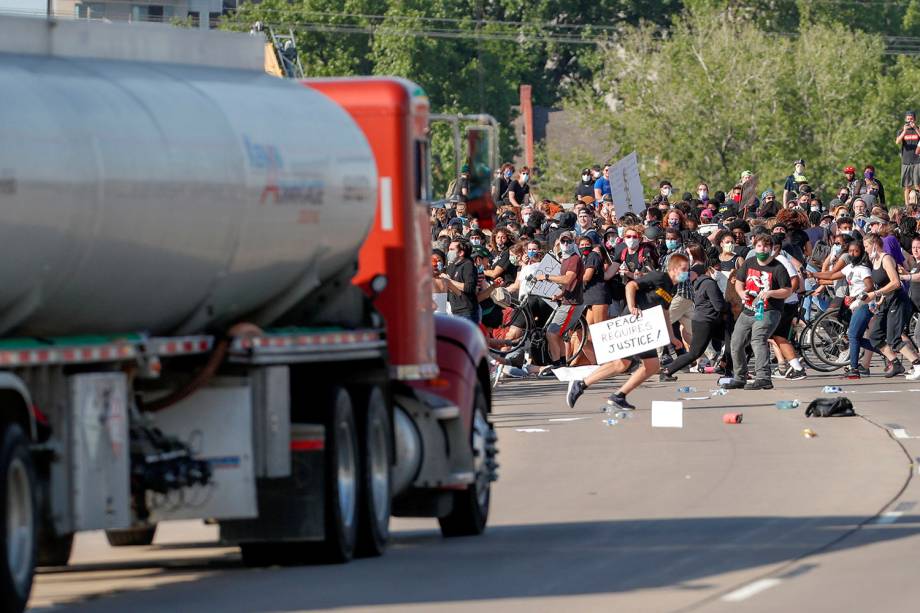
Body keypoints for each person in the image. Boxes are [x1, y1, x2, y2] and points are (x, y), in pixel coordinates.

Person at [565, 254, 688, 410]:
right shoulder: (659, 276)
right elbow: (631, 286)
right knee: (626, 363)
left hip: (645, 327)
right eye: (684, 269)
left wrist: (671, 336)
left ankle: (615, 395)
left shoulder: (672, 287)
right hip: (632, 322)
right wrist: (632, 307)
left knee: (645, 365)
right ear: (674, 268)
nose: (687, 272)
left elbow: (665, 312)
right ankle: (584, 385)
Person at [722, 235, 793, 390]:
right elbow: (739, 282)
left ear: (772, 249)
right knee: (736, 343)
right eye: (760, 246)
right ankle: (740, 377)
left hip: (769, 311)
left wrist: (771, 293)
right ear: (755, 247)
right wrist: (741, 293)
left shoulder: (778, 268)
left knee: (758, 339)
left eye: (766, 247)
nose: (763, 249)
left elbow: (787, 290)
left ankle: (763, 378)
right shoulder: (749, 263)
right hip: (748, 310)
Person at [659, 257, 729, 381]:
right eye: (717, 268)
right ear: (709, 270)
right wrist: (730, 305)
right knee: (694, 353)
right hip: (706, 322)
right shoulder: (709, 283)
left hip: (706, 321)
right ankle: (667, 371)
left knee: (732, 339)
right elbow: (719, 305)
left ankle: (726, 367)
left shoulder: (698, 284)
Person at [863, 233, 920, 379]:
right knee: (875, 335)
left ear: (875, 245)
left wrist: (875, 294)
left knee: (894, 338)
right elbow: (883, 283)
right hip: (886, 301)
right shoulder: (874, 261)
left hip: (897, 301)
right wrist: (880, 299)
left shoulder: (886, 259)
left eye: (867, 246)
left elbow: (895, 283)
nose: (866, 249)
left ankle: (917, 364)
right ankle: (895, 363)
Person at [534, 232, 585, 370]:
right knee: (558, 334)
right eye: (563, 241)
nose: (566, 244)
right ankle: (562, 363)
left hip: (572, 303)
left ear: (574, 242)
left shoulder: (574, 259)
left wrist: (546, 276)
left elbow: (568, 279)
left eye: (569, 241)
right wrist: (560, 294)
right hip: (568, 301)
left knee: (551, 333)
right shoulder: (566, 259)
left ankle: (557, 365)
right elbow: (568, 284)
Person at [440, 240, 479, 324]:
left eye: (452, 250)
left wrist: (449, 281)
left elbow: (469, 288)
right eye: (449, 249)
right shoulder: (451, 266)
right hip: (455, 310)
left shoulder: (468, 265)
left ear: (461, 252)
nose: (449, 252)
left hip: (466, 312)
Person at [897, 111, 920, 204]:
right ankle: (907, 205)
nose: (909, 121)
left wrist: (915, 128)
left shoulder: (917, 129)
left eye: (911, 119)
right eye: (908, 119)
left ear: (914, 119)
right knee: (907, 186)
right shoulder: (901, 131)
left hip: (917, 161)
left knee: (917, 185)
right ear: (905, 120)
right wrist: (904, 131)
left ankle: (918, 203)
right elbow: (897, 141)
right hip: (906, 161)